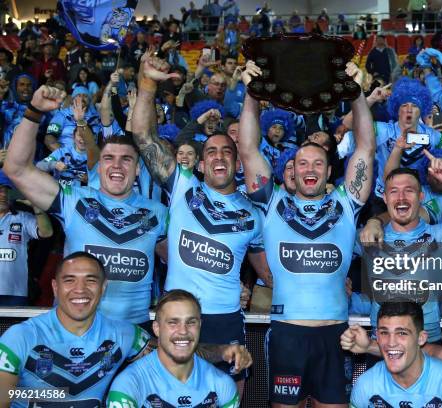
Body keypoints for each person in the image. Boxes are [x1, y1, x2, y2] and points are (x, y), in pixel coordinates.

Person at [130, 52, 270, 394]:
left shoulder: (254, 214)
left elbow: (268, 272)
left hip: (225, 319)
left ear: (237, 164)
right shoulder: (182, 186)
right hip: (176, 316)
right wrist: (147, 85)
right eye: (211, 152)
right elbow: (144, 137)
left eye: (226, 151)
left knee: (225, 399)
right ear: (201, 165)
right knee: (168, 398)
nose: (218, 156)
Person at [238, 60, 375, 408]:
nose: (309, 168)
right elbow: (249, 150)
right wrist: (252, 96)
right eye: (302, 163)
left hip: (335, 335)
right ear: (292, 171)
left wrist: (357, 94)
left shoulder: (347, 204)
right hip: (287, 333)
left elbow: (365, 149)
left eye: (317, 163)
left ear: (330, 171)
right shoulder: (272, 203)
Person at [3, 85, 169, 326]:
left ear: (137, 170)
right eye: (108, 158)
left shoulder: (158, 214)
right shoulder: (73, 200)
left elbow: (179, 264)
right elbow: (15, 169)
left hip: (134, 343)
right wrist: (34, 112)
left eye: (126, 160)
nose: (117, 166)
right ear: (97, 167)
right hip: (75, 340)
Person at [363, 146, 442, 342]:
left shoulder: (439, 235)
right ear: (385, 198)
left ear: (421, 197)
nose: (401, 198)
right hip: (381, 344)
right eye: (394, 192)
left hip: (427, 343)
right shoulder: (368, 236)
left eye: (409, 191)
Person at [0, 252, 153, 408]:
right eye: (69, 280)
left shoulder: (125, 334)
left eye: (91, 280)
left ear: (103, 287)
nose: (80, 289)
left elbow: (164, 367)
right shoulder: (20, 336)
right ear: (55, 287)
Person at [106, 290, 240, 408]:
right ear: (156, 328)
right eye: (173, 323)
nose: (183, 331)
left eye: (191, 322)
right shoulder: (128, 384)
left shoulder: (223, 384)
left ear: (200, 325)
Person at [345, 302, 442, 408]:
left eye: (402, 333)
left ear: (421, 338)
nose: (391, 343)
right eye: (384, 332)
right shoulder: (366, 384)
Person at [0, 183, 53, 306]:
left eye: (5, 191)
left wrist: (36, 206)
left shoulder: (22, 218)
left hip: (15, 293)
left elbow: (46, 232)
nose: (3, 195)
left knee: (14, 326)